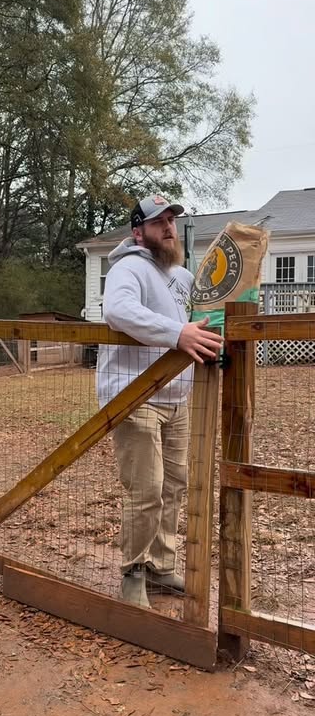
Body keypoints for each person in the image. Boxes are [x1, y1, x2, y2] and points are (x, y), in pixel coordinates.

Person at [96, 194, 223, 608]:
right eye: (158, 222)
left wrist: (203, 336)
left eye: (171, 220)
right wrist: (178, 333)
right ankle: (132, 573)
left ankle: (160, 567)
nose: (168, 227)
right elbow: (119, 312)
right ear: (139, 233)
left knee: (174, 485)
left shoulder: (183, 278)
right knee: (146, 489)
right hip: (135, 395)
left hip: (176, 395)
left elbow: (199, 322)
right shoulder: (128, 268)